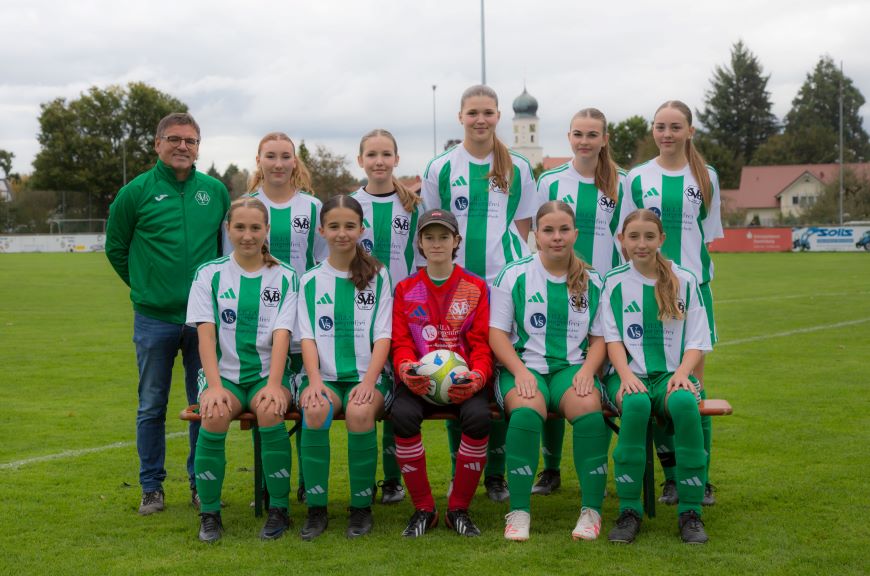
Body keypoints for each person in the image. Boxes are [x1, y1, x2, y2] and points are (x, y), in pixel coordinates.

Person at [106, 112, 230, 514]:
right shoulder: (135, 192)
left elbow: (224, 251)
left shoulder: (215, 191)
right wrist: (145, 287)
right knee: (151, 405)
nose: (182, 146)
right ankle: (151, 487)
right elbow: (116, 247)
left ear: (198, 148)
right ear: (157, 143)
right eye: (174, 139)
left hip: (203, 320)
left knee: (206, 403)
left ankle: (200, 483)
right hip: (154, 318)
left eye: (190, 141)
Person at [422, 84, 537, 502]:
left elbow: (523, 226)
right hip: (457, 283)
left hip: (503, 282)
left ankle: (497, 475)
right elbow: (432, 226)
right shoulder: (440, 168)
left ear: (498, 116)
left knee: (499, 373)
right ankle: (461, 471)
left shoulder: (518, 167)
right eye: (473, 112)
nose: (480, 119)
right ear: (460, 116)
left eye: (488, 112)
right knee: (456, 371)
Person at [620, 100, 723, 506]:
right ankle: (671, 477)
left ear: (689, 131)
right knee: (657, 378)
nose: (667, 134)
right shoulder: (637, 177)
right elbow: (628, 234)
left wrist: (688, 279)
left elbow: (707, 236)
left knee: (691, 386)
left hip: (691, 292)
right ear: (653, 131)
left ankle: (701, 478)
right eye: (660, 126)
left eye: (675, 127)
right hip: (646, 291)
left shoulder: (706, 176)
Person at [490, 201, 609, 541]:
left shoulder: (593, 280)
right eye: (548, 230)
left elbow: (600, 338)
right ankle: (519, 512)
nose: (557, 237)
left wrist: (588, 370)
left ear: (575, 234)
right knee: (526, 411)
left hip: (570, 369)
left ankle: (591, 512)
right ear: (536, 236)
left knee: (588, 407)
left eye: (564, 230)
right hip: (523, 366)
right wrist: (519, 371)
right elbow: (496, 334)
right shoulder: (514, 274)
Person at [186, 197, 299, 542]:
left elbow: (282, 335)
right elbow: (206, 337)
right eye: (239, 227)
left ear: (267, 230)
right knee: (215, 413)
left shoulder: (285, 276)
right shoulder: (209, 274)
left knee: (270, 410)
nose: (247, 235)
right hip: (225, 375)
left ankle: (279, 509)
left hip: (268, 374)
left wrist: (274, 385)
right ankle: (209, 514)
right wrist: (215, 387)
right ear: (228, 229)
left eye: (255, 228)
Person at [601, 209, 711, 544]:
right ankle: (629, 511)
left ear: (661, 239)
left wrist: (683, 374)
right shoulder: (613, 282)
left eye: (649, 236)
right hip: (627, 373)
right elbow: (611, 339)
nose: (641, 244)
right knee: (635, 406)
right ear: (621, 240)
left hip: (670, 374)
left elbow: (697, 339)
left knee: (685, 404)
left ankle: (690, 512)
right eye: (633, 236)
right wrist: (625, 375)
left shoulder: (685, 280)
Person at [532, 107, 626, 496]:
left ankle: (597, 472)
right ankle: (551, 469)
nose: (585, 141)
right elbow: (537, 235)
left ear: (605, 139)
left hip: (604, 294)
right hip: (557, 290)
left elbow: (628, 236)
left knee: (598, 382)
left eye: (592, 134)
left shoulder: (622, 182)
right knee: (554, 369)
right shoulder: (550, 181)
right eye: (578, 134)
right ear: (569, 137)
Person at [390, 208, 494, 537]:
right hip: (419, 382)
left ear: (456, 241)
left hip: (462, 381)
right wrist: (406, 369)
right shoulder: (406, 289)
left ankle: (458, 509)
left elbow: (482, 344)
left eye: (444, 237)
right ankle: (424, 509)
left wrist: (477, 376)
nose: (436, 243)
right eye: (429, 237)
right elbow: (401, 343)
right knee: (401, 416)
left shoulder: (475, 286)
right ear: (419, 243)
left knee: (479, 418)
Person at [235, 131, 327, 505]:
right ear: (259, 160)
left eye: (285, 156)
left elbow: (323, 264)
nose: (278, 163)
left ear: (294, 162)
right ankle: (266, 484)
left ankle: (306, 480)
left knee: (305, 397)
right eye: (270, 156)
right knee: (265, 398)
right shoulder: (246, 206)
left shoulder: (313, 207)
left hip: (304, 319)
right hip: (260, 319)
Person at [295, 194, 393, 540]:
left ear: (361, 229)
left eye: (349, 226)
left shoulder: (379, 275)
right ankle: (316, 510)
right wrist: (314, 381)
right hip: (324, 377)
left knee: (360, 412)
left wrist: (369, 382)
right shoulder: (309, 280)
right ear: (321, 230)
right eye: (334, 226)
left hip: (368, 376)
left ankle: (361, 508)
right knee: (315, 410)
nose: (341, 233)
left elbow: (383, 335)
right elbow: (307, 337)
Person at [351, 128, 425, 505]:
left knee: (397, 393)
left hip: (404, 315)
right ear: (360, 160)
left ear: (396, 159)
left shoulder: (413, 205)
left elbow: (424, 261)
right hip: (361, 314)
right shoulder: (350, 204)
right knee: (369, 391)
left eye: (385, 155)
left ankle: (393, 480)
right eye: (372, 155)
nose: (379, 161)